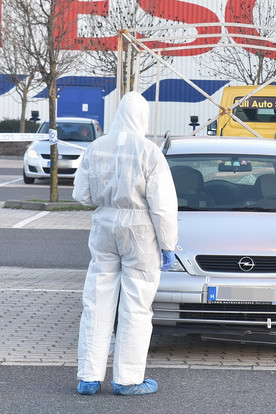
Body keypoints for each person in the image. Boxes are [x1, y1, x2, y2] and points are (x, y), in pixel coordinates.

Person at [73, 91, 179, 395]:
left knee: (96, 300)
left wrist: (107, 201)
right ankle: (128, 379)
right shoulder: (149, 152)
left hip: (104, 226)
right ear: (142, 117)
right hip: (140, 230)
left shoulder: (96, 148)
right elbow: (162, 206)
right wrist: (168, 244)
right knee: (136, 304)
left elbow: (81, 195)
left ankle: (89, 376)